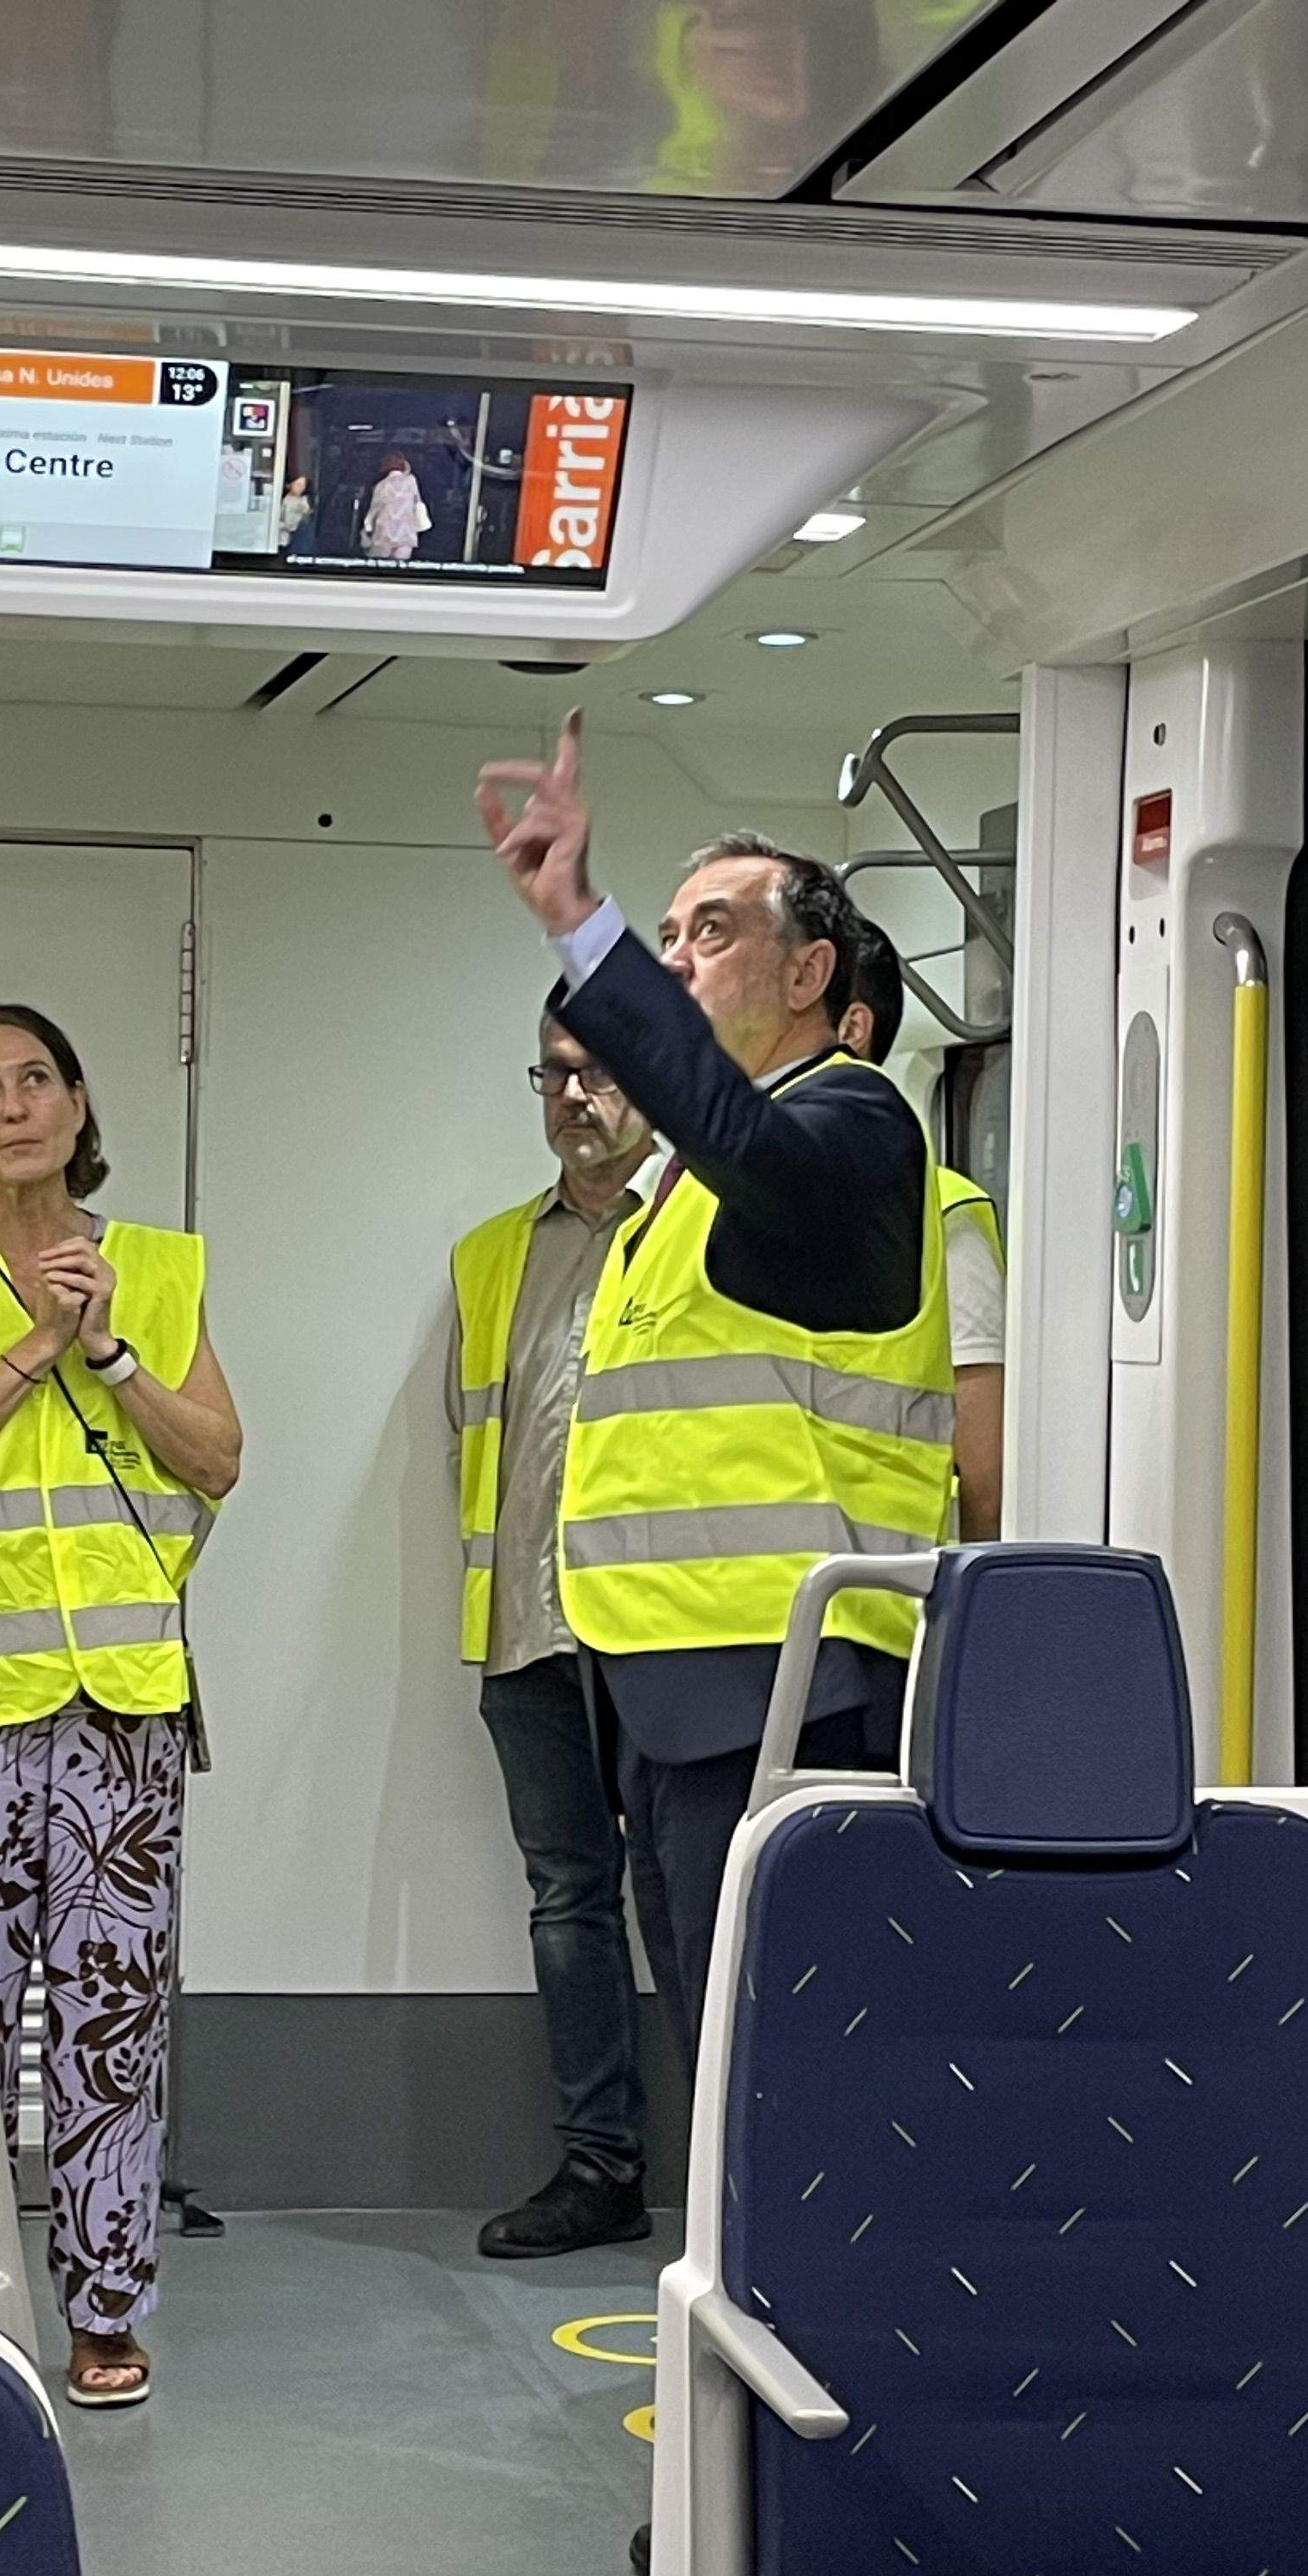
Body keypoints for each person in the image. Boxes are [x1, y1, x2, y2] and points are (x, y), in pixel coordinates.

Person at [473, 715, 950, 2061]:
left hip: (792, 1679)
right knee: (711, 2026)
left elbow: (750, 1140)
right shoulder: (672, 1186)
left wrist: (582, 922)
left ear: (811, 972)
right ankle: (731, 2270)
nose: (678, 958)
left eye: (711, 933)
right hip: (666, 1681)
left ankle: (811, 2275)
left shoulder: (852, 1120)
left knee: (790, 2042)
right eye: (666, 936)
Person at [0, 1003, 244, 2411]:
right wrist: (33, 1343)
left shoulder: (165, 1266)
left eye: (35, 1079)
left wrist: (114, 1352)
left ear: (79, 1102)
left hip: (124, 1698)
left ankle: (102, 2302)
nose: (11, 1105)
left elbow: (218, 1458)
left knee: (113, 2013)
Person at [447, 1010, 666, 2259]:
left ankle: (743, 2161)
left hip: (672, 1629)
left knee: (691, 1894)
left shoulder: (704, 1230)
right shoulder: (489, 1258)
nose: (576, 1095)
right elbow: (472, 1437)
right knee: (569, 1897)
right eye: (556, 1072)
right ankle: (601, 2170)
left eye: (603, 1069)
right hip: (526, 1628)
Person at [838, 921, 1006, 1539]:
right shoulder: (711, 1201)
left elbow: (984, 1477)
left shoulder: (942, 1215)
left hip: (885, 1599)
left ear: (851, 1030)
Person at [359, 451, 431, 560]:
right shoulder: (411, 481)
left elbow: (375, 508)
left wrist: (368, 525)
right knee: (401, 565)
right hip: (405, 533)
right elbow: (418, 502)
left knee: (381, 565)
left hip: (384, 532)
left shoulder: (381, 485)